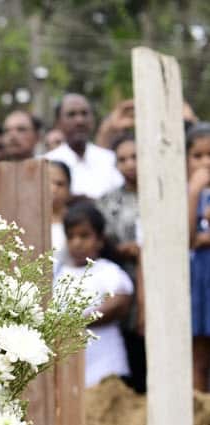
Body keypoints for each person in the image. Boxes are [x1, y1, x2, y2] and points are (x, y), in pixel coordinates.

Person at [54, 202, 133, 388]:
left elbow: (119, 302)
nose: (77, 243)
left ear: (100, 239)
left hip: (107, 366)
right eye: (71, 236)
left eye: (84, 236)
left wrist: (74, 321)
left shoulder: (108, 271)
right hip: (69, 369)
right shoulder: (59, 273)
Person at [98, 132, 144, 392]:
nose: (130, 164)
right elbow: (100, 242)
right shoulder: (107, 201)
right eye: (123, 159)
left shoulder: (164, 193)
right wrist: (119, 250)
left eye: (135, 157)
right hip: (125, 278)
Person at [45, 93, 123, 199]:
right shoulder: (46, 164)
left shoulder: (111, 159)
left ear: (92, 120)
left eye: (84, 113)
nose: (79, 121)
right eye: (71, 115)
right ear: (58, 122)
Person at [186, 122, 210, 391]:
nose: (205, 163)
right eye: (198, 156)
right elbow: (188, 239)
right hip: (196, 287)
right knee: (197, 357)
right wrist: (194, 193)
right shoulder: (183, 194)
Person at [0, 110, 39, 210]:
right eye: (7, 131)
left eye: (21, 129)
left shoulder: (50, 172)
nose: (12, 136)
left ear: (37, 136)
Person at [48, 160, 72, 262]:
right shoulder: (25, 221)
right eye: (47, 182)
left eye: (60, 184)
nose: (53, 189)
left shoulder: (76, 220)